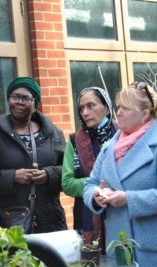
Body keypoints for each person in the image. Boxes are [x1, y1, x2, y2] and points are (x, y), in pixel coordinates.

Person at [83, 81, 157, 266]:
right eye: (118, 107)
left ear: (145, 114)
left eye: (126, 108)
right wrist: (96, 195)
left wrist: (129, 199)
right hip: (119, 246)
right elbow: (90, 183)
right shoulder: (109, 147)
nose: (119, 113)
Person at [0, 76, 67, 233]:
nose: (19, 102)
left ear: (35, 103)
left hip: (50, 221)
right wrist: (12, 177)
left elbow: (69, 173)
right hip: (8, 223)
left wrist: (49, 174)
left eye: (25, 98)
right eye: (14, 97)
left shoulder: (54, 134)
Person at [62, 87, 116, 253]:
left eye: (91, 105)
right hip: (86, 217)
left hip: (120, 212)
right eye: (81, 108)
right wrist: (97, 186)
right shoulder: (74, 141)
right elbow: (67, 183)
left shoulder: (122, 134)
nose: (85, 112)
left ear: (106, 107)